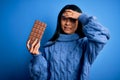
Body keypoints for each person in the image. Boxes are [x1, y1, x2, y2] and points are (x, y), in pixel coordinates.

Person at [27, 4, 110, 80]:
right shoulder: (49, 46)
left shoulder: (85, 44)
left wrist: (82, 17)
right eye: (64, 19)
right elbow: (41, 78)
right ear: (59, 21)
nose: (67, 23)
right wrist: (37, 56)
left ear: (79, 22)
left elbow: (102, 36)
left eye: (72, 20)